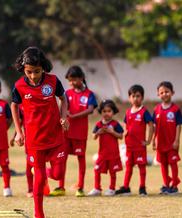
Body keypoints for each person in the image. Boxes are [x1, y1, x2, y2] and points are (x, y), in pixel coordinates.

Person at [11, 47, 69, 218]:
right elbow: (14, 105)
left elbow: (63, 98)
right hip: (34, 140)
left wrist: (64, 116)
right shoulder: (19, 86)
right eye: (29, 72)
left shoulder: (53, 81)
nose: (33, 76)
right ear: (24, 69)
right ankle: (39, 214)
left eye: (37, 71)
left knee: (58, 174)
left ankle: (43, 172)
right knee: (40, 179)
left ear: (43, 67)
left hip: (55, 136)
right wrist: (18, 131)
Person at [50, 66, 97, 197]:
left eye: (74, 79)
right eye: (69, 80)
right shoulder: (67, 94)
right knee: (61, 159)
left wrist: (75, 116)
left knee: (81, 159)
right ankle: (60, 186)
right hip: (66, 133)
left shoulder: (89, 94)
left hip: (80, 133)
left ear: (81, 78)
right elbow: (61, 108)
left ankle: (80, 187)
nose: (71, 83)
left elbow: (91, 109)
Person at [115, 84, 153, 196]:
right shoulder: (128, 112)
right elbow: (126, 126)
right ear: (129, 98)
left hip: (139, 146)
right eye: (133, 96)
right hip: (129, 145)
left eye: (138, 96)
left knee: (141, 167)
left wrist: (148, 140)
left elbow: (151, 125)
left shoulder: (144, 112)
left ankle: (142, 188)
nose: (135, 98)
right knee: (128, 166)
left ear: (142, 97)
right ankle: (126, 187)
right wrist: (125, 134)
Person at [152, 81, 182, 195]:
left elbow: (178, 125)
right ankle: (166, 185)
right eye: (161, 92)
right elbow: (154, 126)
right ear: (158, 94)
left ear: (172, 93)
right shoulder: (156, 109)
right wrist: (153, 140)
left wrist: (176, 140)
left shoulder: (175, 109)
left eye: (167, 91)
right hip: (160, 143)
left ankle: (174, 185)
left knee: (173, 163)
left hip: (171, 143)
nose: (164, 94)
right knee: (163, 164)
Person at [87, 100, 124, 196]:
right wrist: (98, 133)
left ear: (113, 112)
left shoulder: (115, 124)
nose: (106, 113)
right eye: (104, 111)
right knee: (97, 170)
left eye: (109, 111)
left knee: (113, 172)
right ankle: (97, 188)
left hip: (113, 153)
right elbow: (93, 137)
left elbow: (120, 136)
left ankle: (112, 189)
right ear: (101, 112)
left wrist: (112, 132)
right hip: (102, 154)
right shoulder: (99, 124)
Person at [9, 106, 35, 198]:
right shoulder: (21, 106)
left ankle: (42, 187)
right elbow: (19, 123)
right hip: (29, 140)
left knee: (41, 163)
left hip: (43, 137)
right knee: (30, 164)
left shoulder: (40, 98)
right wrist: (14, 136)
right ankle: (30, 189)